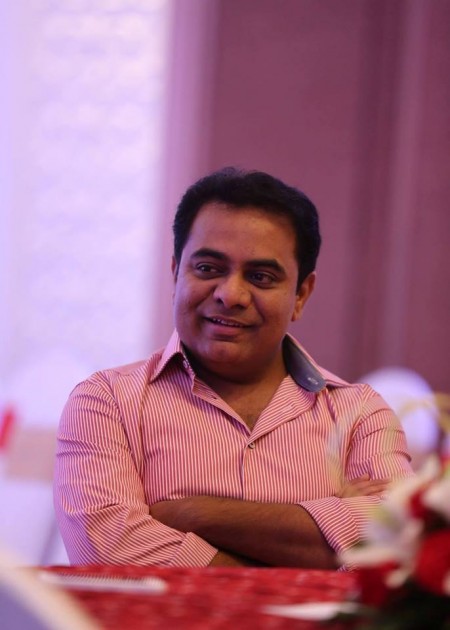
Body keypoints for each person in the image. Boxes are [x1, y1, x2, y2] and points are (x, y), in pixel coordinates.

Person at [54, 167, 413, 568]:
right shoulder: (106, 403)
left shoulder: (360, 414)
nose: (231, 294)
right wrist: (320, 543)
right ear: (175, 274)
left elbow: (397, 547)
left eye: (260, 277)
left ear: (301, 295)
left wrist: (191, 513)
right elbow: (109, 553)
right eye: (208, 269)